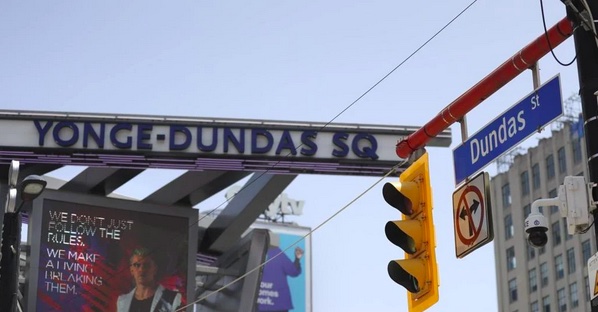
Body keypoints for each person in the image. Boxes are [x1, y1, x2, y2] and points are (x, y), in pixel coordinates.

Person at [117, 247, 182, 312]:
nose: (141, 270)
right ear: (131, 270)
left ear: (155, 269)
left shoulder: (172, 298)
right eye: (137, 265)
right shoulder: (122, 301)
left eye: (146, 265)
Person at [257, 232, 304, 312]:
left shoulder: (255, 252)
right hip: (279, 304)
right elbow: (293, 271)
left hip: (260, 304)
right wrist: (297, 259)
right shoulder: (278, 253)